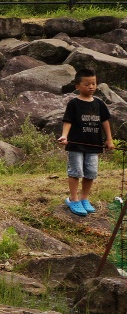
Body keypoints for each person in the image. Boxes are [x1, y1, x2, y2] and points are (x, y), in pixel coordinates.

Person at [57, 68, 114, 216]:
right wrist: (64, 136)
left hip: (94, 145)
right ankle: (73, 199)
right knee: (76, 172)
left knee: (91, 173)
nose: (91, 87)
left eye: (94, 83)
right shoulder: (74, 104)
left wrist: (109, 139)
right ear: (77, 86)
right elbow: (67, 121)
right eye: (87, 84)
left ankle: (84, 198)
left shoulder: (99, 104)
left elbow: (105, 122)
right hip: (76, 144)